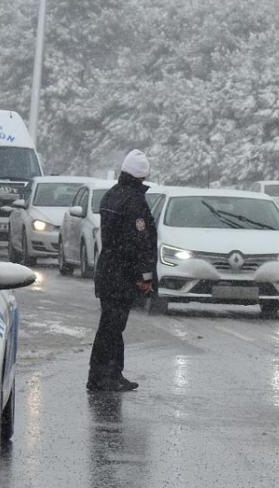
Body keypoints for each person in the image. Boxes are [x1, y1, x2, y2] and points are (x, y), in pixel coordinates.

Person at [87, 150, 157, 392]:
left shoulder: (111, 196)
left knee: (109, 326)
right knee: (113, 327)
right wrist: (144, 276)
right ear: (142, 176)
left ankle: (107, 374)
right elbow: (138, 242)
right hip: (122, 275)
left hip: (107, 270)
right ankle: (105, 376)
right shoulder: (134, 202)